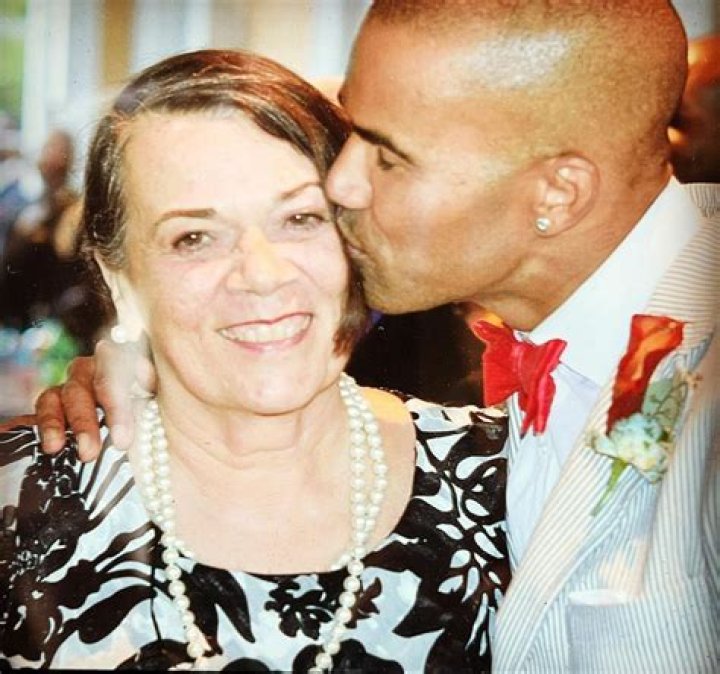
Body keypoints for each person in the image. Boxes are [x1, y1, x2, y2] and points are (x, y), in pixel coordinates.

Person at [17, 0, 719, 671]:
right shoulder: (33, 494)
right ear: (115, 270)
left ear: (558, 194)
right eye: (194, 237)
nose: (344, 187)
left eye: (386, 155)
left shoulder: (478, 471)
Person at [0, 49, 509, 671]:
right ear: (119, 279)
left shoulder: (505, 483)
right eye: (194, 237)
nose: (263, 275)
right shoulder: (16, 509)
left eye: (300, 218)